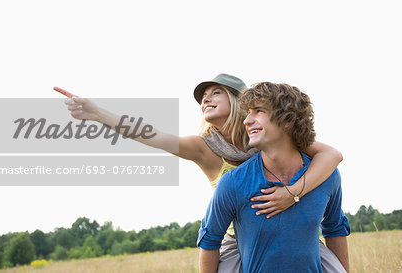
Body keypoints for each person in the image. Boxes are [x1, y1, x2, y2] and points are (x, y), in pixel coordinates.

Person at [57, 73, 345, 272]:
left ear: (238, 99)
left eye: (215, 92)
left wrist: (292, 193)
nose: (206, 99)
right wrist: (96, 113)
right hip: (236, 241)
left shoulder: (268, 134)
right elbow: (150, 135)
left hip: (294, 234)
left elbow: (331, 155)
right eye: (202, 97)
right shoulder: (205, 148)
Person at [198, 82, 350, 273]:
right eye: (248, 113)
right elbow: (209, 240)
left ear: (287, 120)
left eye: (258, 111)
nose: (246, 121)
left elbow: (335, 229)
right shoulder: (233, 183)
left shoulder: (327, 176)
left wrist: (293, 192)